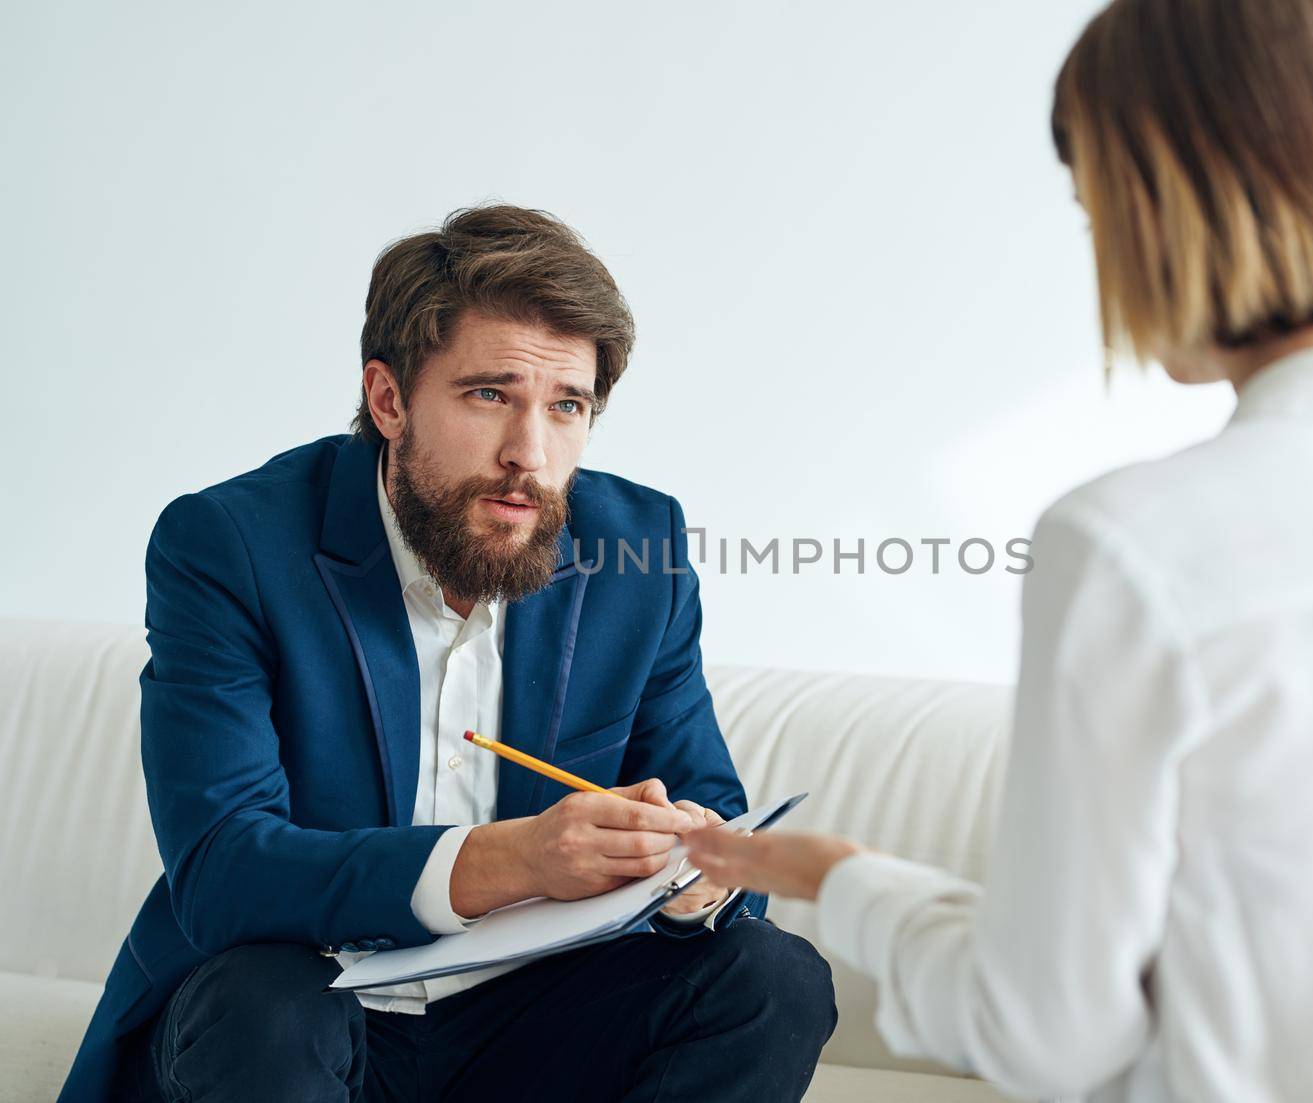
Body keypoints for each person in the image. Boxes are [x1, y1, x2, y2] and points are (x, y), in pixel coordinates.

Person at [686, 0, 1313, 1098]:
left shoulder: (1131, 547)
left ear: (1152, 198)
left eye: (1091, 211)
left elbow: (1042, 1035)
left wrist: (848, 883)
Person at [61, 204, 836, 1102]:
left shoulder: (638, 549)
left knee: (768, 977)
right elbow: (225, 868)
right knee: (267, 1002)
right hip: (304, 1011)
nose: (530, 454)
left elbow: (715, 814)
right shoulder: (229, 543)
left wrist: (693, 876)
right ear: (389, 400)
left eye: (567, 406)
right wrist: (515, 858)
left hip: (528, 1024)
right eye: (490, 395)